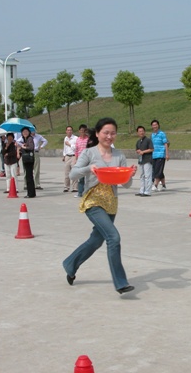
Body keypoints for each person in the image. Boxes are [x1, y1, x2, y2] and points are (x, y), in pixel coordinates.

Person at [63, 117, 137, 295]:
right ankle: (121, 283)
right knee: (114, 237)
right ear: (97, 134)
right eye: (105, 132)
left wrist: (129, 174)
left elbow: (126, 185)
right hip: (93, 201)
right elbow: (73, 174)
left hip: (111, 202)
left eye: (112, 133)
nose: (109, 136)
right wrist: (89, 168)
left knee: (96, 241)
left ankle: (70, 264)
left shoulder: (119, 155)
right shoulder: (89, 153)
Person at [151, 119, 169, 192]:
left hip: (161, 154)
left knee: (158, 171)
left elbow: (166, 144)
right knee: (158, 171)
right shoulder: (152, 135)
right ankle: (164, 185)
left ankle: (155, 185)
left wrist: (167, 154)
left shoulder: (162, 134)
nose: (154, 126)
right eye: (153, 125)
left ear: (158, 125)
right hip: (154, 155)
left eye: (156, 124)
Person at [135, 125, 154, 197]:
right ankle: (141, 190)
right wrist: (138, 151)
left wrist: (143, 152)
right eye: (140, 131)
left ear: (144, 132)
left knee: (147, 176)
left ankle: (148, 191)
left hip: (147, 160)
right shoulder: (138, 141)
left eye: (142, 131)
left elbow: (151, 149)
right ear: (137, 133)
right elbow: (137, 150)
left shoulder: (148, 140)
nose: (141, 132)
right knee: (142, 175)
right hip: (141, 160)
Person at [18, 127, 36, 198]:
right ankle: (31, 192)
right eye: (23, 132)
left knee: (29, 176)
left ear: (29, 132)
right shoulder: (25, 139)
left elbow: (31, 147)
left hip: (29, 160)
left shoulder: (30, 138)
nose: (25, 133)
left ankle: (30, 193)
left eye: (26, 132)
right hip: (26, 159)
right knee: (28, 176)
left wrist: (24, 147)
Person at [74, 124, 89, 198]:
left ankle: (89, 193)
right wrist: (76, 159)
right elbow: (76, 150)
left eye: (84, 131)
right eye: (81, 130)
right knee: (81, 178)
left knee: (89, 178)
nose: (82, 132)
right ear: (79, 131)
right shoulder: (78, 140)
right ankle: (80, 193)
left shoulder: (88, 139)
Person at [62, 125, 78, 192]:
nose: (69, 131)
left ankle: (75, 187)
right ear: (66, 131)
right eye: (68, 130)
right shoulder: (65, 138)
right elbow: (64, 148)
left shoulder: (76, 138)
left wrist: (69, 144)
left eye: (70, 130)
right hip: (67, 156)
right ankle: (66, 187)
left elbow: (76, 147)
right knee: (66, 173)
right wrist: (64, 155)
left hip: (74, 156)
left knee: (74, 172)